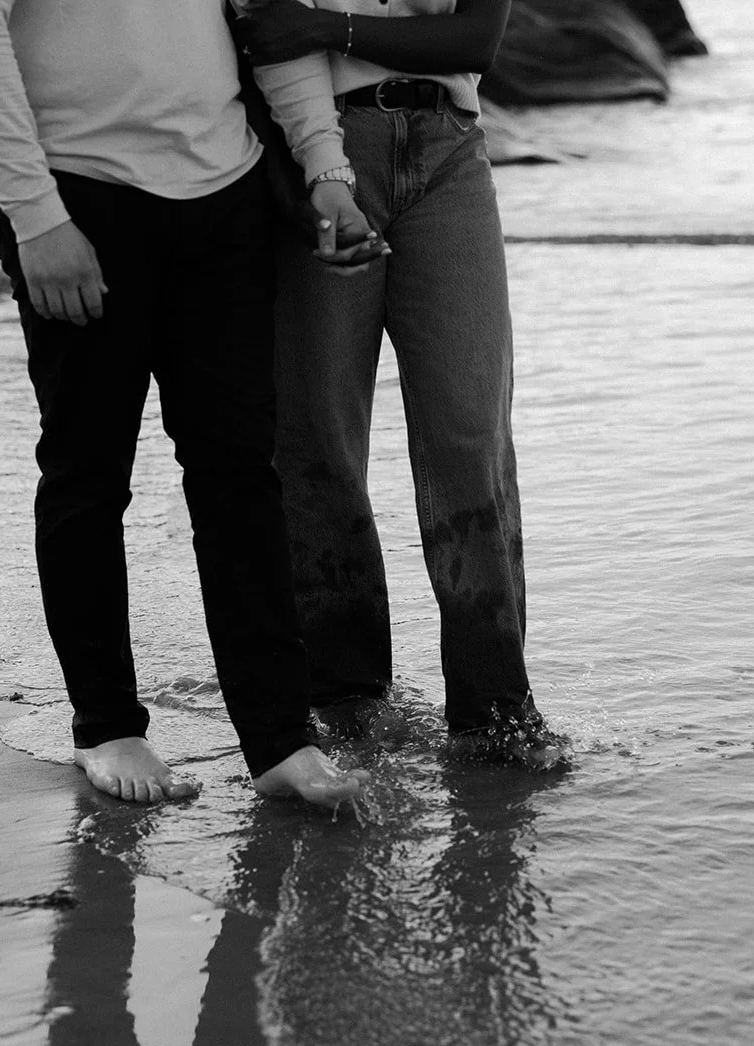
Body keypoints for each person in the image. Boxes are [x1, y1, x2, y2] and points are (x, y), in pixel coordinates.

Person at [0, 0, 380, 806]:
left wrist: (325, 169)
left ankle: (279, 739)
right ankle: (107, 727)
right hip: (80, 195)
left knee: (242, 476)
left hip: (226, 195)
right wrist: (36, 217)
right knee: (88, 473)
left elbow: (269, 20)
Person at [233, 0, 569, 767]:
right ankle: (346, 701)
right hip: (317, 139)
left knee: (470, 434)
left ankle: (495, 709)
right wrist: (308, 167)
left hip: (450, 147)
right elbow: (266, 29)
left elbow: (476, 40)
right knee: (318, 435)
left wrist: (330, 28)